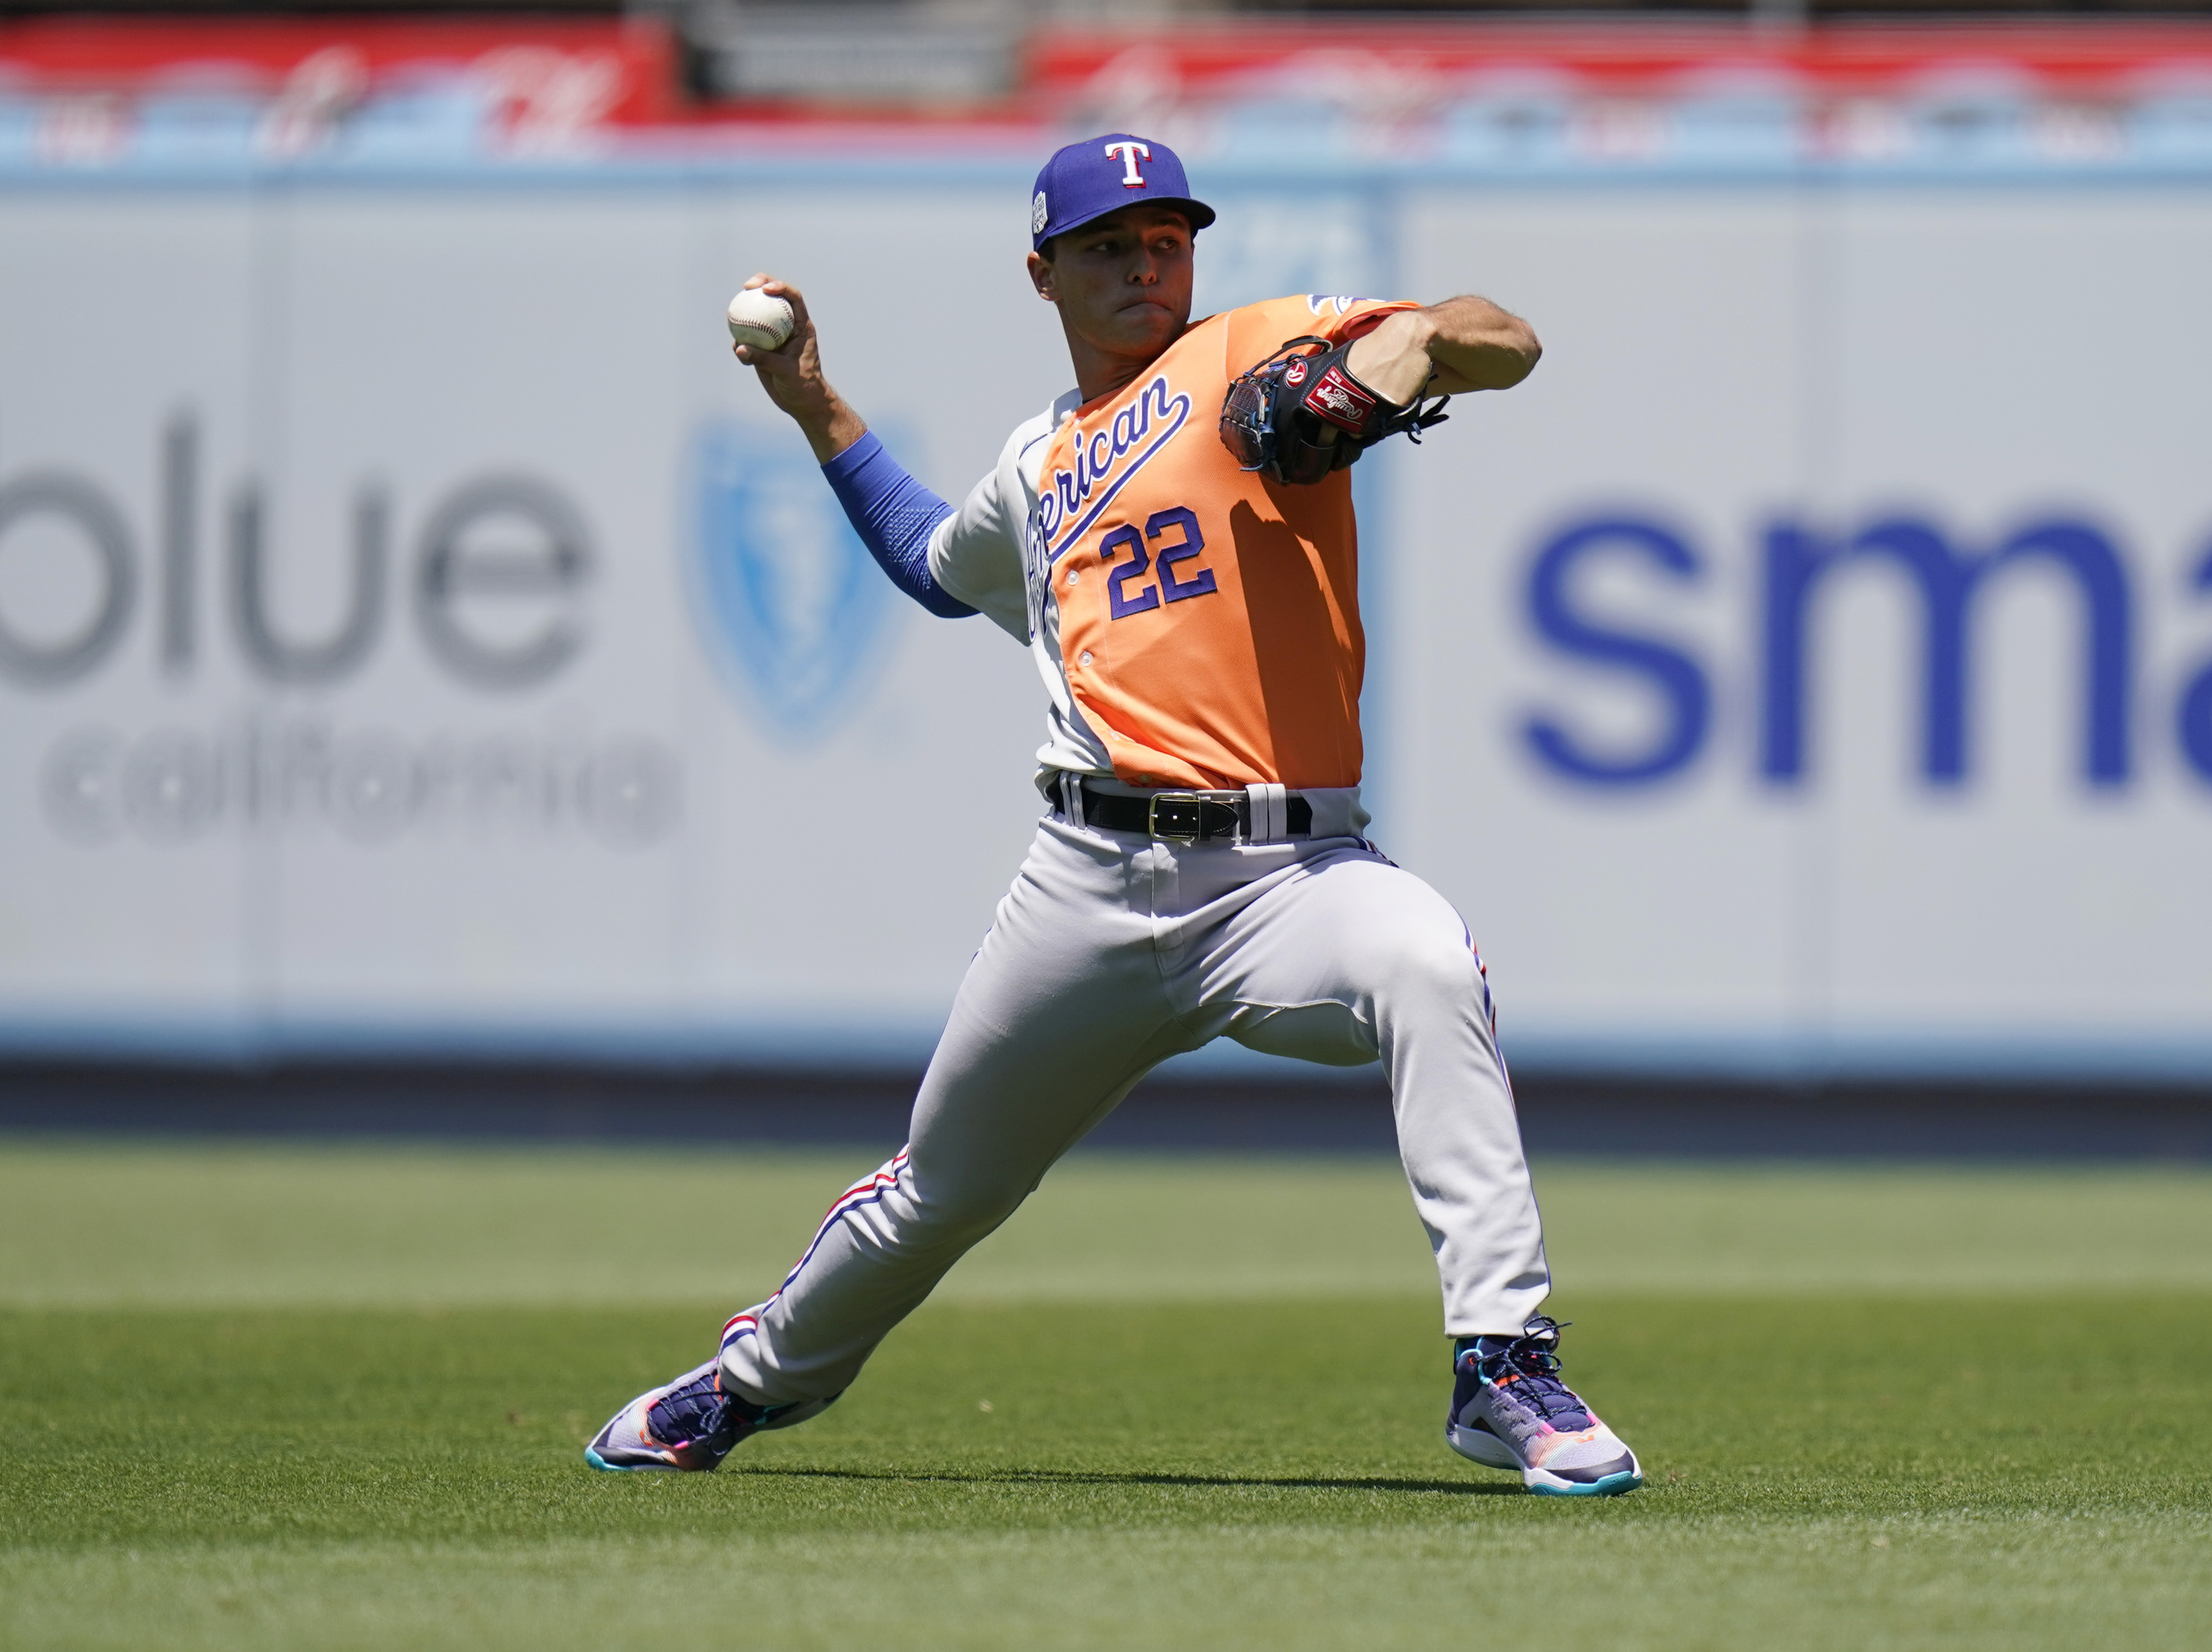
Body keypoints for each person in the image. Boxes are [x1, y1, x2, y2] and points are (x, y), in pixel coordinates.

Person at [585, 133, 1642, 1497]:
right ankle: (737, 1388)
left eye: (1166, 239)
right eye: (1108, 246)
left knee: (1429, 962)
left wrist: (1375, 375)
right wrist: (814, 408)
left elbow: (1490, 338)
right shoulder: (1038, 463)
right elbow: (928, 565)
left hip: (1288, 871)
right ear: (1044, 274)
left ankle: (1503, 1363)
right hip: (1086, 881)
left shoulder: (1262, 345)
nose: (1146, 265)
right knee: (939, 1189)